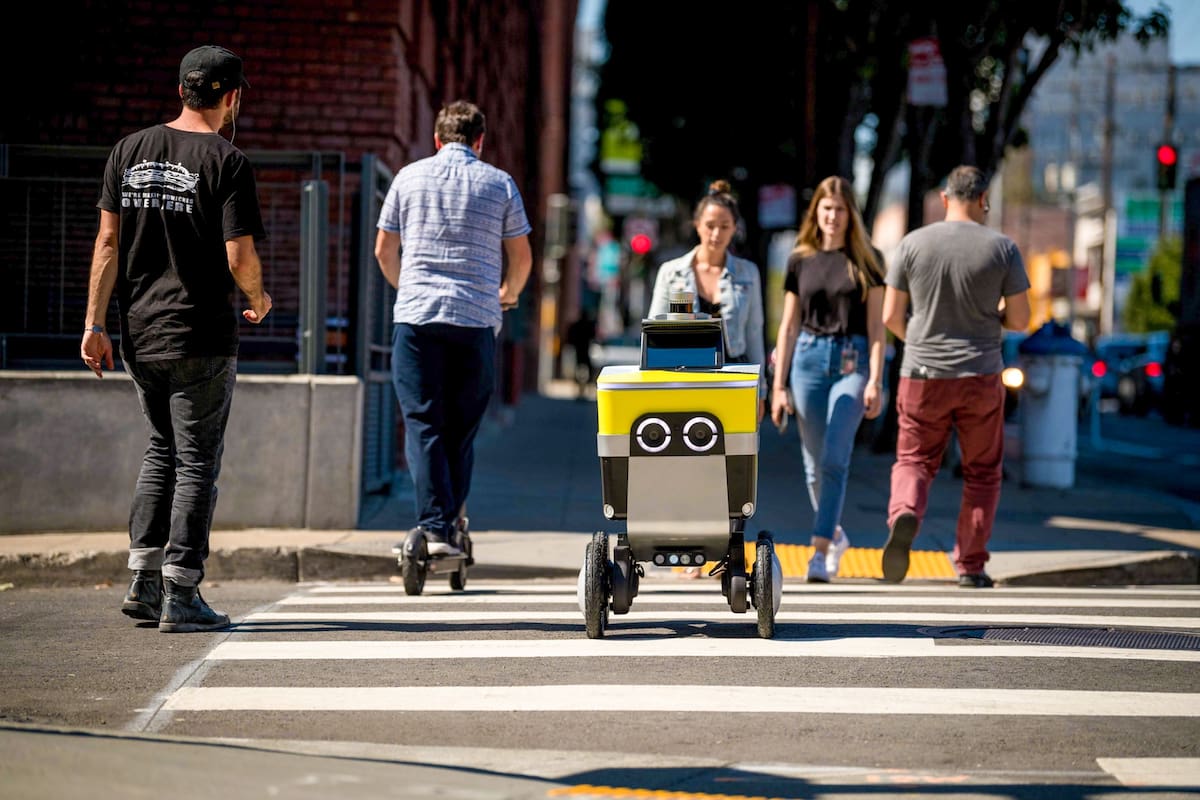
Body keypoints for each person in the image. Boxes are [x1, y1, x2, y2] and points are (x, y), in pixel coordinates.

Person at [81, 45, 272, 632]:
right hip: (201, 336)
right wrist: (258, 298)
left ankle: (141, 582)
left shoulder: (128, 150)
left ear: (181, 90)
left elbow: (108, 246)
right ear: (231, 97)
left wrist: (94, 323)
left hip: (140, 333)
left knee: (161, 449)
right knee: (195, 463)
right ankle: (181, 591)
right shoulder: (227, 161)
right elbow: (238, 253)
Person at [374, 100, 532, 556]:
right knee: (461, 429)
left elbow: (385, 250)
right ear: (480, 142)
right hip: (475, 320)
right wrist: (508, 292)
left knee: (423, 424)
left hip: (417, 319)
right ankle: (450, 522)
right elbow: (521, 257)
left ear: (437, 140)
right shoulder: (500, 183)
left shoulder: (408, 176)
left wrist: (409, 288)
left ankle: (434, 527)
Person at [881, 165, 1031, 588]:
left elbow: (891, 316)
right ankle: (969, 564)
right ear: (983, 199)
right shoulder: (1003, 249)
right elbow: (1020, 318)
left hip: (922, 374)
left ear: (945, 199)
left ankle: (906, 510)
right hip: (980, 375)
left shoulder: (912, 244)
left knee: (914, 459)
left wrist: (923, 340)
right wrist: (989, 315)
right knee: (982, 471)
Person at [769, 176, 886, 583]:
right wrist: (778, 386)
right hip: (806, 361)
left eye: (840, 208)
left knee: (835, 459)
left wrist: (875, 381)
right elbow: (787, 326)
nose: (833, 216)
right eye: (826, 208)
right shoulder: (800, 258)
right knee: (814, 468)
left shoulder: (869, 262)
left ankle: (818, 552)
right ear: (816, 212)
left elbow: (877, 330)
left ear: (850, 214)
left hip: (852, 365)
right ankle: (835, 532)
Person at [647, 180, 766, 402]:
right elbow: (656, 334)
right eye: (710, 225)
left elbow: (754, 334)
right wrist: (653, 386)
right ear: (697, 224)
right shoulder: (671, 272)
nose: (716, 234)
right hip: (683, 377)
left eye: (725, 226)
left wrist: (761, 391)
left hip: (735, 378)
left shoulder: (748, 273)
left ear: (734, 228)